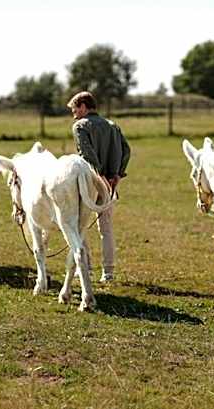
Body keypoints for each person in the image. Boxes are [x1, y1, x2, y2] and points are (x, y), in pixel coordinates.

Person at [67, 91, 130, 283]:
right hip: (110, 184)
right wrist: (117, 174)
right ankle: (108, 272)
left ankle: (85, 268)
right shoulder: (113, 126)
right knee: (106, 229)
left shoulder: (80, 126)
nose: (74, 114)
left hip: (89, 183)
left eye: (75, 109)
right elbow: (126, 150)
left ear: (84, 106)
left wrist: (100, 175)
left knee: (80, 227)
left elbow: (87, 153)